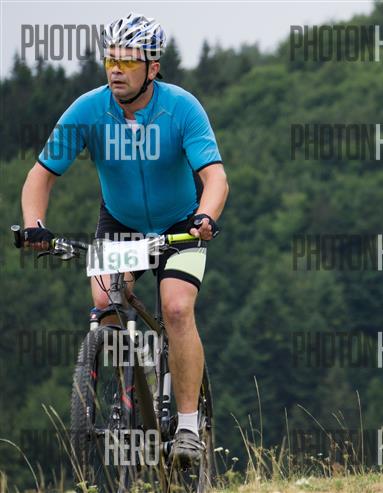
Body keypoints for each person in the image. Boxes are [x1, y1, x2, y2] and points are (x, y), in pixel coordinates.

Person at [19, 12, 229, 464]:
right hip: (121, 223)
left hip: (181, 224)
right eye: (110, 59)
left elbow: (215, 177)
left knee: (176, 308)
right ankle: (128, 398)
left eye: (128, 61)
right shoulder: (88, 110)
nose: (116, 69)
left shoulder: (181, 108)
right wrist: (34, 223)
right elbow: (40, 175)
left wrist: (206, 216)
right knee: (105, 302)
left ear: (153, 67)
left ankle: (188, 426)